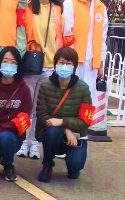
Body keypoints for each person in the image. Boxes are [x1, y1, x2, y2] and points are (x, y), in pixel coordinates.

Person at [17, 0, 64, 160]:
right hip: (31, 63)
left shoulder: (58, 9)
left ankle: (36, 143)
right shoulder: (28, 7)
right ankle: (23, 141)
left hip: (51, 65)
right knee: (26, 105)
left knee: (41, 108)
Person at [36, 47, 95, 183]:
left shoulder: (83, 89)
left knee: (76, 165)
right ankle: (47, 165)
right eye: (61, 63)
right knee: (52, 131)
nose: (64, 66)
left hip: (76, 135)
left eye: (69, 64)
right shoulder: (45, 86)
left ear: (74, 67)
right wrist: (65, 129)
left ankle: (73, 165)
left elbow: (86, 121)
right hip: (53, 135)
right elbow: (41, 116)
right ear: (55, 64)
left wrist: (62, 122)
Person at [62, 0, 107, 135]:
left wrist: (100, 62)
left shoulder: (100, 7)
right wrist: (68, 60)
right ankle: (67, 133)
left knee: (88, 100)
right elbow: (66, 32)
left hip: (91, 63)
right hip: (74, 61)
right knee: (71, 98)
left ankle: (81, 133)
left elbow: (102, 38)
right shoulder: (70, 3)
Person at [0, 46, 32, 182]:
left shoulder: (24, 89)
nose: (9, 65)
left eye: (13, 62)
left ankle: (8, 164)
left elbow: (24, 118)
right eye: (5, 61)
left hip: (11, 135)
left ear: (18, 66)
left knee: (5, 138)